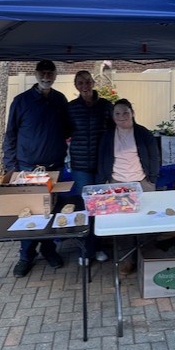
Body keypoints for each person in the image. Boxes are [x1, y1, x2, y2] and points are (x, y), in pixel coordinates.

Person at [3, 60, 70, 278]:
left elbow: (68, 129)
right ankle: (26, 256)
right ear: (36, 74)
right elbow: (10, 135)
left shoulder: (60, 100)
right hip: (27, 168)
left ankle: (49, 249)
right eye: (43, 72)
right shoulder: (21, 102)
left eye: (50, 72)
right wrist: (10, 167)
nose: (46, 76)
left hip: (54, 167)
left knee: (51, 211)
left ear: (55, 75)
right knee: (29, 214)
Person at [97, 98, 160, 274]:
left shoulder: (143, 133)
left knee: (147, 221)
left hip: (141, 183)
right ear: (113, 116)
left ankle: (148, 257)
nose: (121, 116)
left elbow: (154, 157)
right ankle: (126, 259)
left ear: (132, 113)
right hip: (117, 184)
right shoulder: (108, 135)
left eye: (125, 112)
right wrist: (106, 181)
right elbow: (102, 159)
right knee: (123, 225)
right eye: (117, 113)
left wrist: (151, 180)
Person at [67, 70, 113, 260]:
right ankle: (85, 250)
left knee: (100, 207)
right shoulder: (71, 108)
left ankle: (98, 246)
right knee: (85, 207)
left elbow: (113, 131)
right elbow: (64, 130)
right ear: (76, 86)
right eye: (80, 83)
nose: (84, 85)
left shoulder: (105, 105)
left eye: (87, 81)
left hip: (101, 164)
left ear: (93, 82)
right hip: (80, 165)